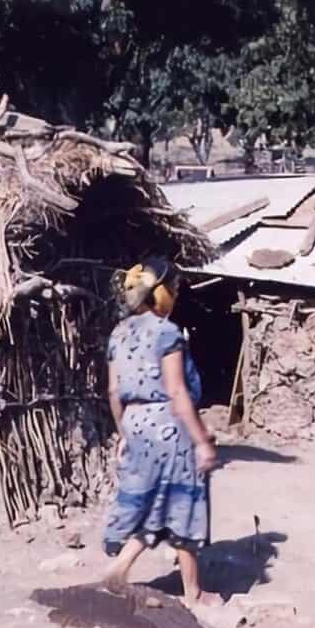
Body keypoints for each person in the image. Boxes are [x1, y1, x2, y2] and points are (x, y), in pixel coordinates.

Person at [102, 257, 222, 608]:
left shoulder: (119, 333)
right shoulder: (167, 332)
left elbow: (113, 392)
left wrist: (123, 431)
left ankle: (120, 565)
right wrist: (202, 441)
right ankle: (193, 593)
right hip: (169, 425)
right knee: (184, 502)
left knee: (154, 499)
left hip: (135, 423)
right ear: (161, 292)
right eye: (174, 289)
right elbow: (177, 392)